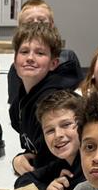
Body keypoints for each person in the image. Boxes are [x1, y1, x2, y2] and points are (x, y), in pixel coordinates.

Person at [9, 22, 82, 176]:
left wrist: (20, 163)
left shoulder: (52, 105)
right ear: (15, 62)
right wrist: (18, 159)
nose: (30, 58)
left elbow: (60, 163)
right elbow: (35, 150)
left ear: (53, 63)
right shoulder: (20, 101)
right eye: (24, 51)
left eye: (40, 53)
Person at [13, 90, 86, 190]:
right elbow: (23, 181)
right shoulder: (62, 164)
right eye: (50, 130)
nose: (58, 135)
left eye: (66, 124)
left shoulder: (91, 166)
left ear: (83, 125)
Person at [7, 0, 83, 105]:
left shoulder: (68, 59)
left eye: (42, 21)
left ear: (52, 25)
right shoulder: (17, 69)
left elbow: (79, 92)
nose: (36, 25)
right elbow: (16, 106)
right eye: (29, 22)